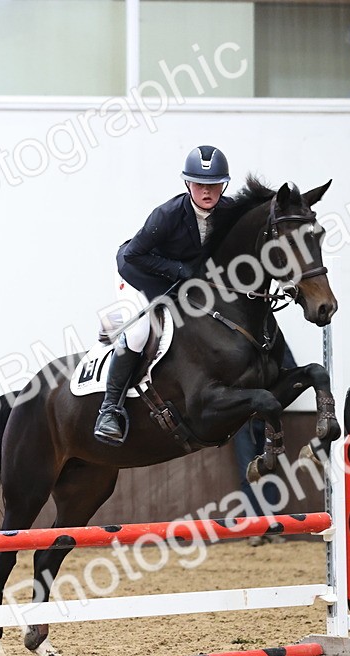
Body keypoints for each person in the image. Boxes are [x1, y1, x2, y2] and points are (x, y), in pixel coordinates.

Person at [93, 145, 236, 446]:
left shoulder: (228, 212)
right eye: (200, 185)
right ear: (187, 184)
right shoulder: (167, 215)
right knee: (139, 333)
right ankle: (109, 410)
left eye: (214, 185)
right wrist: (179, 270)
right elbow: (133, 255)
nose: (207, 192)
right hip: (138, 276)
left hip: (180, 283)